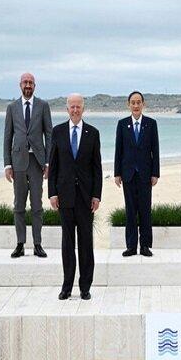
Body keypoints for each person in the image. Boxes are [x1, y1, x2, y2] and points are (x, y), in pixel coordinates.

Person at [48, 94, 102, 300]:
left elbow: (97, 168)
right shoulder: (58, 131)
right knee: (67, 243)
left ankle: (85, 287)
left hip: (86, 198)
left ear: (83, 108)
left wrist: (96, 195)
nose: (75, 110)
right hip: (64, 196)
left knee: (86, 243)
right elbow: (53, 166)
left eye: (78, 106)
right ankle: (67, 286)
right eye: (72, 107)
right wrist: (52, 193)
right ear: (67, 109)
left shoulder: (93, 133)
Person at [3, 72, 52, 258]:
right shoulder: (12, 107)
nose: (28, 85)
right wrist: (7, 164)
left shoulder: (43, 106)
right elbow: (8, 137)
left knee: (37, 205)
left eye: (31, 82)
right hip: (18, 162)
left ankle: (37, 244)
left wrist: (48, 162)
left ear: (35, 86)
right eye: (25, 82)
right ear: (20, 85)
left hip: (37, 162)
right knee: (19, 205)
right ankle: (20, 244)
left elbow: (49, 134)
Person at [114, 91, 160, 257]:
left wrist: (155, 173)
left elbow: (155, 150)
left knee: (145, 210)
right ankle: (131, 246)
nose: (136, 105)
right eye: (133, 102)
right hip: (128, 174)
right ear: (128, 105)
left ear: (143, 104)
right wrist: (117, 173)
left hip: (145, 175)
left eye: (138, 102)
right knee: (130, 211)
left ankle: (145, 246)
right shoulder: (122, 124)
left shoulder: (151, 124)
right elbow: (118, 150)